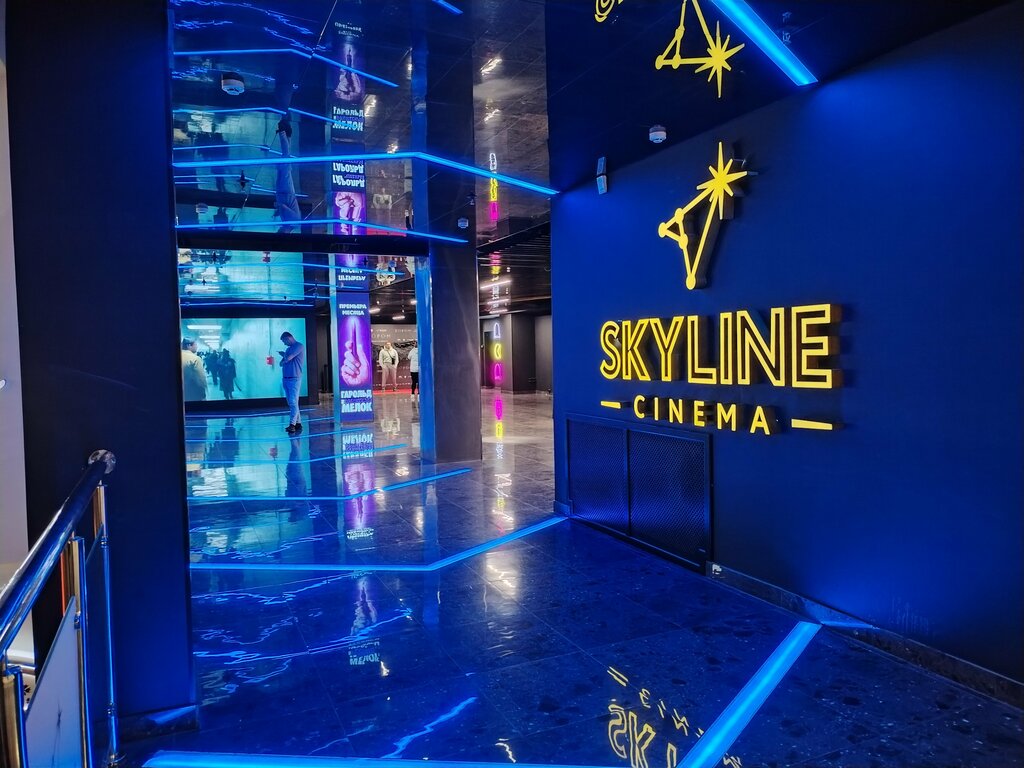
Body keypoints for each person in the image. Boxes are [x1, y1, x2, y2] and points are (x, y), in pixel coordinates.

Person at [274, 120, 301, 234]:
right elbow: (286, 208)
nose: (279, 230)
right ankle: (283, 132)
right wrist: (279, 205)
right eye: (280, 232)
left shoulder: (287, 223)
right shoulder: (295, 222)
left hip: (283, 192)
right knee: (285, 159)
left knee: (285, 161)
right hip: (286, 191)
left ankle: (287, 134)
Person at [279, 331, 305, 433]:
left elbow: (288, 358)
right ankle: (298, 423)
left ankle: (292, 424)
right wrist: (285, 357)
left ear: (288, 338)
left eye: (284, 341)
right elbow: (281, 363)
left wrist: (284, 355)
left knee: (293, 402)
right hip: (286, 379)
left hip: (294, 379)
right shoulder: (288, 349)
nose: (284, 344)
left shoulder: (299, 346)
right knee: (292, 402)